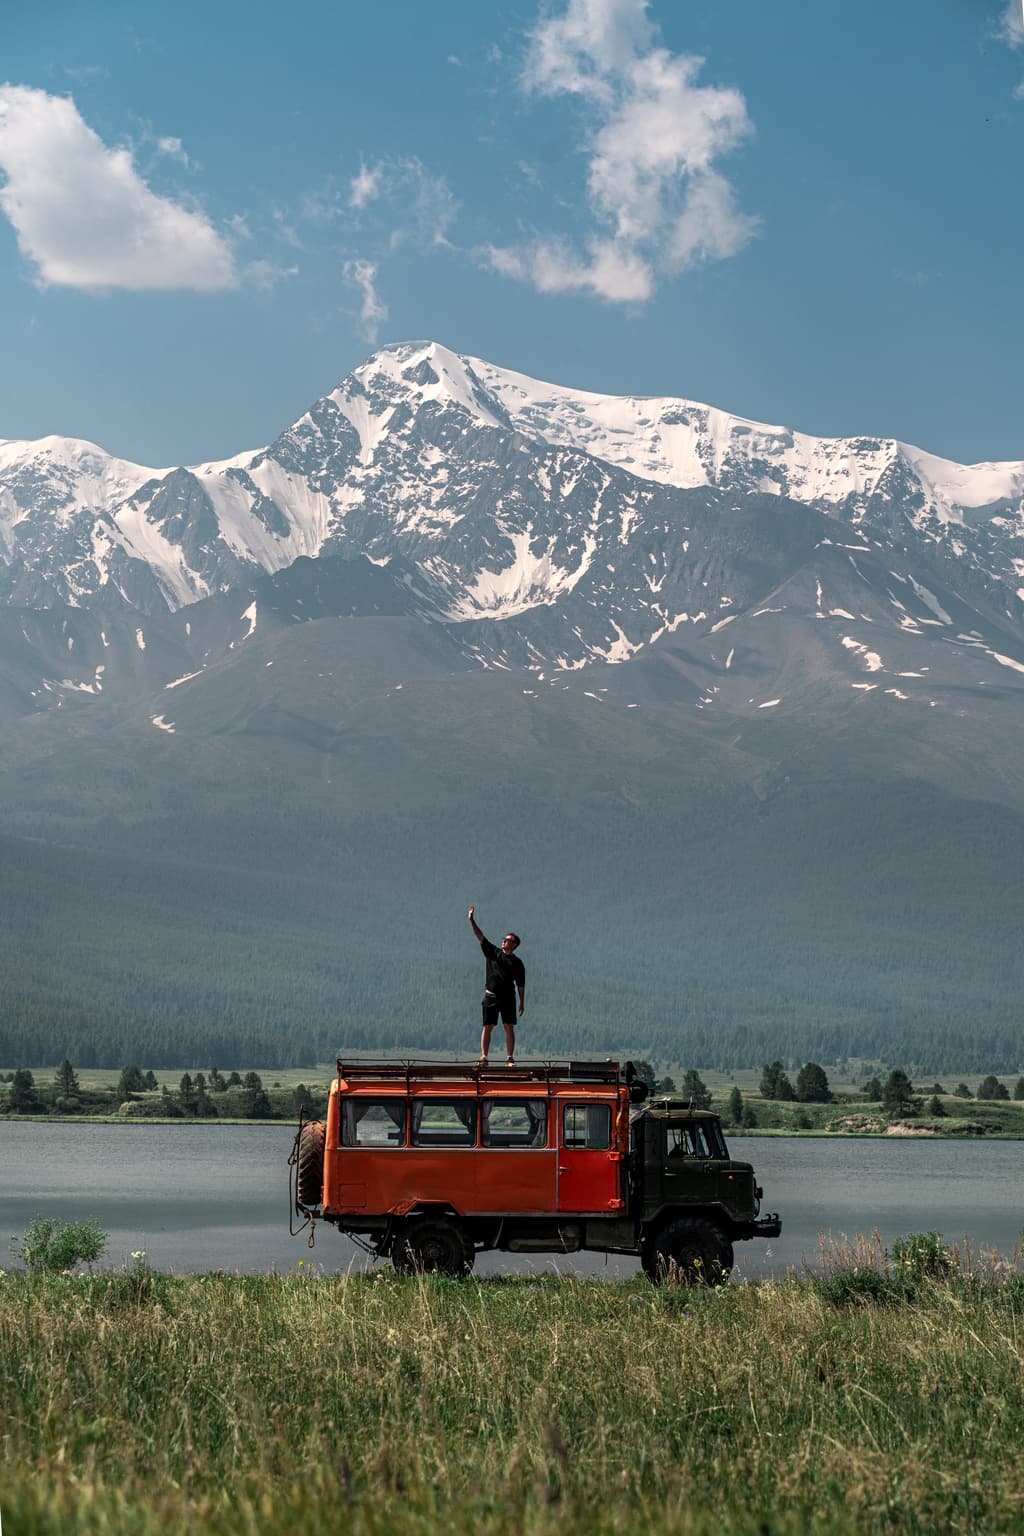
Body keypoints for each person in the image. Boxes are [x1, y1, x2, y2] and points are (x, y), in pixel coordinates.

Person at [468, 905, 525, 1066]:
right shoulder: (493, 952)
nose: (504, 941)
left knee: (509, 1026)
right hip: (491, 996)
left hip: (508, 998)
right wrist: (471, 920)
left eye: (507, 940)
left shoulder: (517, 963)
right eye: (504, 939)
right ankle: (484, 1057)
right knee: (487, 1026)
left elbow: (521, 985)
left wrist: (522, 1002)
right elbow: (479, 935)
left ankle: (509, 1058)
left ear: (514, 944)